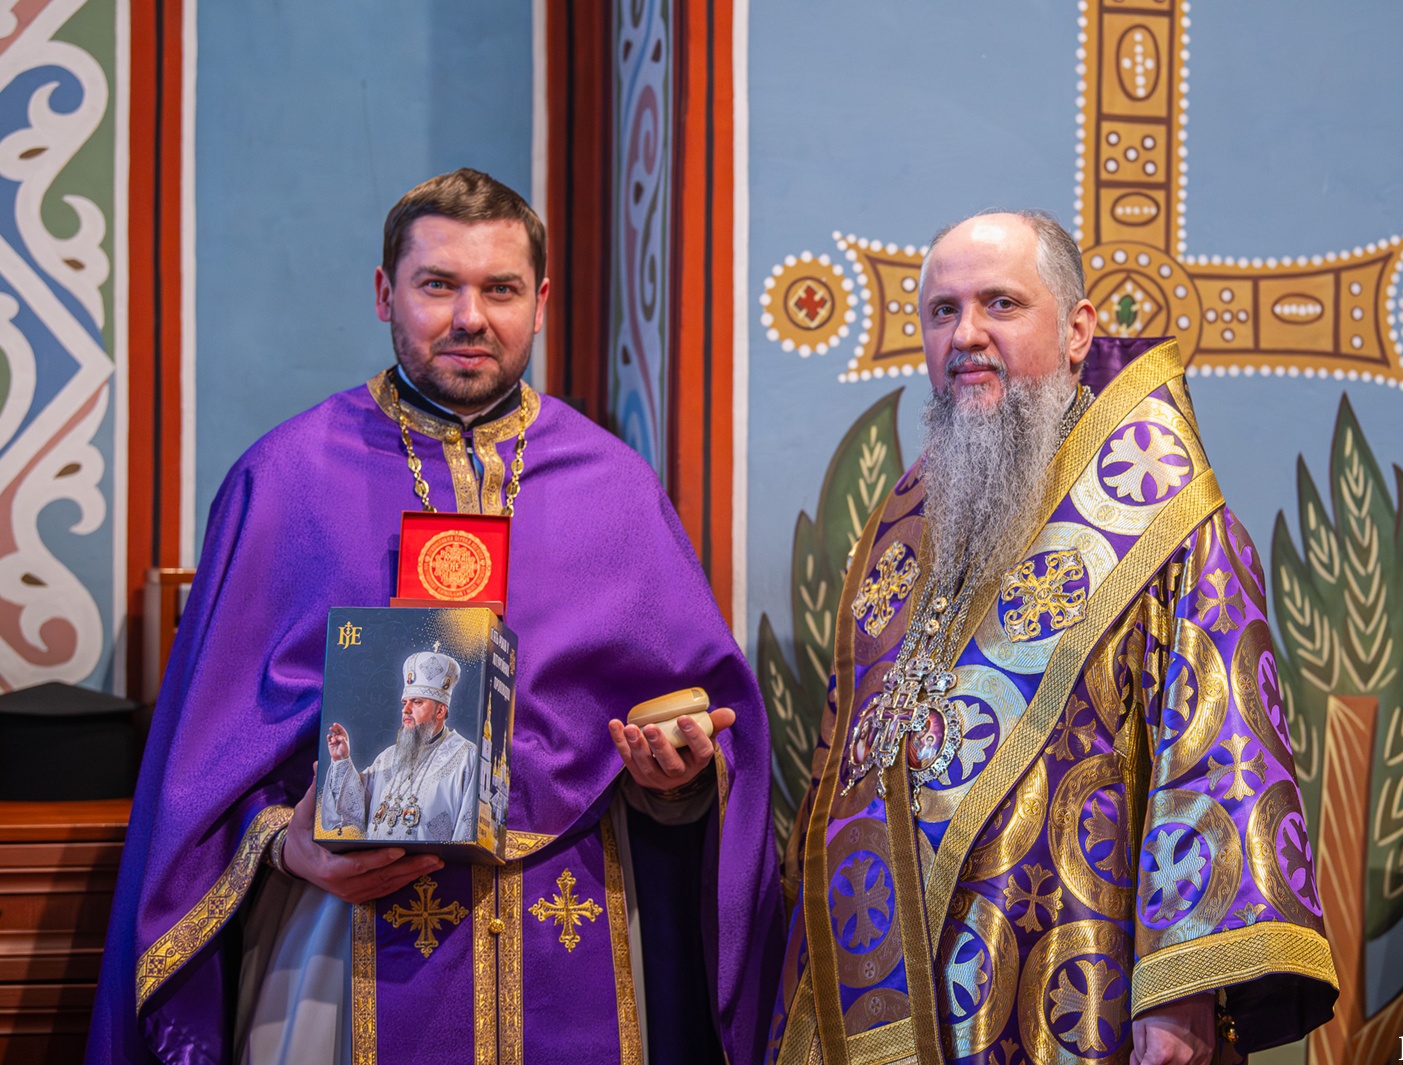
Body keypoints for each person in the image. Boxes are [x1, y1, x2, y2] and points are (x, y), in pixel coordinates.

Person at [89, 169, 781, 1065]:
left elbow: (701, 737)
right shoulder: (286, 480)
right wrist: (283, 844)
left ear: (540, 302)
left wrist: (675, 779)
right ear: (386, 293)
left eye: (500, 289)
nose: (469, 317)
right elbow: (204, 761)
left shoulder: (616, 487)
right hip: (338, 931)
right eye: (438, 285)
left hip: (570, 927)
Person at [765, 211, 1339, 1065]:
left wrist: (1178, 990)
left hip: (1075, 975)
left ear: (1077, 331)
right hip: (892, 983)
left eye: (1000, 303)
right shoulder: (908, 517)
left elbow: (1217, 755)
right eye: (943, 310)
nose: (967, 334)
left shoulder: (1170, 520)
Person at [321, 648, 477, 842]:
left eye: (417, 702)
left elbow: (467, 831)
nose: (406, 710)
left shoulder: (466, 757)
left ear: (440, 711)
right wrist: (342, 760)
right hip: (378, 859)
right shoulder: (388, 757)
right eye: (404, 703)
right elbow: (355, 810)